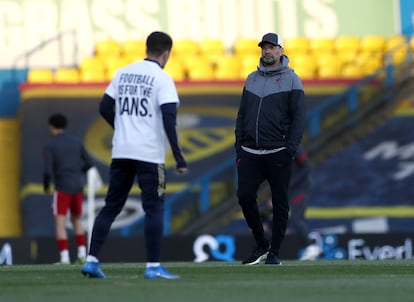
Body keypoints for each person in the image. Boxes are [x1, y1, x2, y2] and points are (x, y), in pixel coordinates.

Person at [81, 31, 187, 279]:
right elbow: (169, 119)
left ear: (146, 48)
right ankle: (152, 267)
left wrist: (122, 128)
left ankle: (91, 260)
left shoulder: (122, 73)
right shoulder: (162, 79)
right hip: (149, 154)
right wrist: (179, 156)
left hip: (121, 150)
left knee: (111, 206)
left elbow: (105, 107)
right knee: (154, 208)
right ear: (166, 53)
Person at [235, 33, 306, 265]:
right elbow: (242, 114)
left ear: (281, 51)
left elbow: (299, 118)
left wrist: (290, 149)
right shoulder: (251, 79)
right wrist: (239, 146)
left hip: (278, 151)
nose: (267, 51)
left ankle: (274, 252)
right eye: (264, 47)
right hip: (250, 151)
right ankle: (261, 244)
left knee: (280, 202)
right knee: (244, 196)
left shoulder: (292, 79)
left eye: (271, 47)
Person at [43, 113, 94, 264]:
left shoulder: (50, 145)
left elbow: (47, 170)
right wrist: (78, 172)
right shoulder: (77, 142)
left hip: (62, 187)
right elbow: (89, 163)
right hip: (77, 187)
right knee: (77, 220)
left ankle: (64, 257)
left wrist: (47, 186)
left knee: (60, 222)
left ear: (51, 126)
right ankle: (82, 254)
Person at [261, 145, 321, 261]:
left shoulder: (294, 147)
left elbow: (307, 167)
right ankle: (310, 250)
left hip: (301, 188)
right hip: (290, 190)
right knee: (297, 218)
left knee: (296, 218)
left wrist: (291, 184)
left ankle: (311, 247)